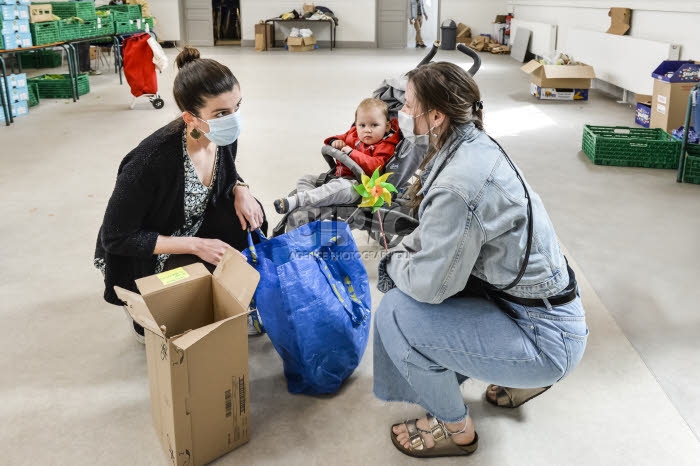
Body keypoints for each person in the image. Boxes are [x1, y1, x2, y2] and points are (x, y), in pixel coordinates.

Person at [373, 61, 588, 458]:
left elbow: (430, 286)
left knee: (397, 312)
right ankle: (515, 374)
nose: (399, 113)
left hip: (545, 337)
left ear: (436, 116)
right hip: (538, 306)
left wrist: (391, 262)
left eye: (407, 105)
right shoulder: (473, 143)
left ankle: (455, 429)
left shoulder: (460, 184)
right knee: (419, 289)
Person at [94, 46, 267, 341]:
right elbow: (117, 237)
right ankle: (147, 303)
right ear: (190, 119)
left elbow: (226, 175)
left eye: (237, 106)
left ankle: (238, 295)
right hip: (148, 247)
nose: (234, 119)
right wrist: (196, 246)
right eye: (222, 113)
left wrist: (241, 188)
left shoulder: (220, 136)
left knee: (253, 217)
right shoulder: (149, 162)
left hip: (193, 223)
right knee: (176, 318)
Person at [273, 98, 400, 214]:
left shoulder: (385, 145)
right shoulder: (354, 134)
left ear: (387, 126)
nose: (367, 130)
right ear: (356, 124)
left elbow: (375, 166)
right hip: (337, 176)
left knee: (341, 188)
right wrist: (334, 142)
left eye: (374, 125)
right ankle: (309, 210)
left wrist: (351, 153)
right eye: (362, 125)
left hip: (359, 186)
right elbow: (338, 138)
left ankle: (299, 201)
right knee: (305, 179)